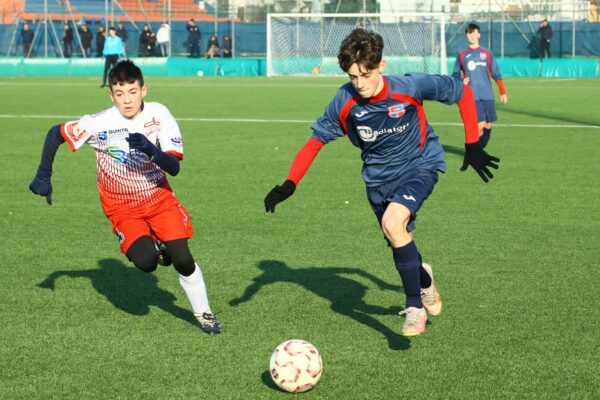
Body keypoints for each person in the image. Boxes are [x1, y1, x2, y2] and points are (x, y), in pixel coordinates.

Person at [264, 29, 500, 337]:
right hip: (377, 180)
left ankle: (414, 307)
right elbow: (314, 142)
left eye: (365, 74)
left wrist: (473, 144)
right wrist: (290, 183)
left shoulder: (410, 86)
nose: (359, 83)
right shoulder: (344, 101)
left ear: (381, 65)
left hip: (420, 165)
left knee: (393, 223)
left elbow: (462, 92)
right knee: (396, 236)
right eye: (352, 76)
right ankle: (424, 281)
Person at [28, 60, 222, 335]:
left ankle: (205, 314)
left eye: (132, 91)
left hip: (159, 199)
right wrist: (43, 176)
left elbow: (175, 167)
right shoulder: (98, 123)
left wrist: (150, 149)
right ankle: (155, 250)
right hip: (122, 208)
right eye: (119, 93)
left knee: (183, 259)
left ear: (144, 89)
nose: (127, 100)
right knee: (145, 264)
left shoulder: (159, 114)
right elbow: (55, 133)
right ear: (111, 95)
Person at [453, 23, 507, 149]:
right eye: (469, 33)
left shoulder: (487, 53)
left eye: (474, 32)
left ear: (479, 34)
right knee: (480, 124)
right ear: (466, 35)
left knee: (488, 125)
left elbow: (496, 73)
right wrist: (461, 81)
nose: (471, 35)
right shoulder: (462, 55)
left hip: (487, 94)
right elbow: (455, 74)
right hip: (472, 95)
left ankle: (478, 151)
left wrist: (502, 91)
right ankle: (475, 152)